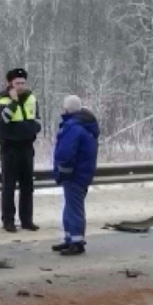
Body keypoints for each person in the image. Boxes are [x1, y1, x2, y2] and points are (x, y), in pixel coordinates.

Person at [0, 68, 41, 232]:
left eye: (22, 83)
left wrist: (26, 129)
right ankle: (8, 220)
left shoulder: (31, 98)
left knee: (28, 186)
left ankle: (27, 220)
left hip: (27, 147)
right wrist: (13, 102)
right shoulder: (1, 99)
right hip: (9, 148)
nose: (20, 86)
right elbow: (3, 123)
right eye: (17, 83)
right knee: (9, 186)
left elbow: (37, 122)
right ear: (10, 84)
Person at [52, 95, 100, 256]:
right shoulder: (85, 125)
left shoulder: (73, 127)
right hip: (83, 172)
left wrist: (62, 171)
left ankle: (77, 242)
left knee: (74, 208)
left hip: (74, 174)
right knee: (70, 206)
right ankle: (69, 238)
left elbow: (65, 152)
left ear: (67, 109)